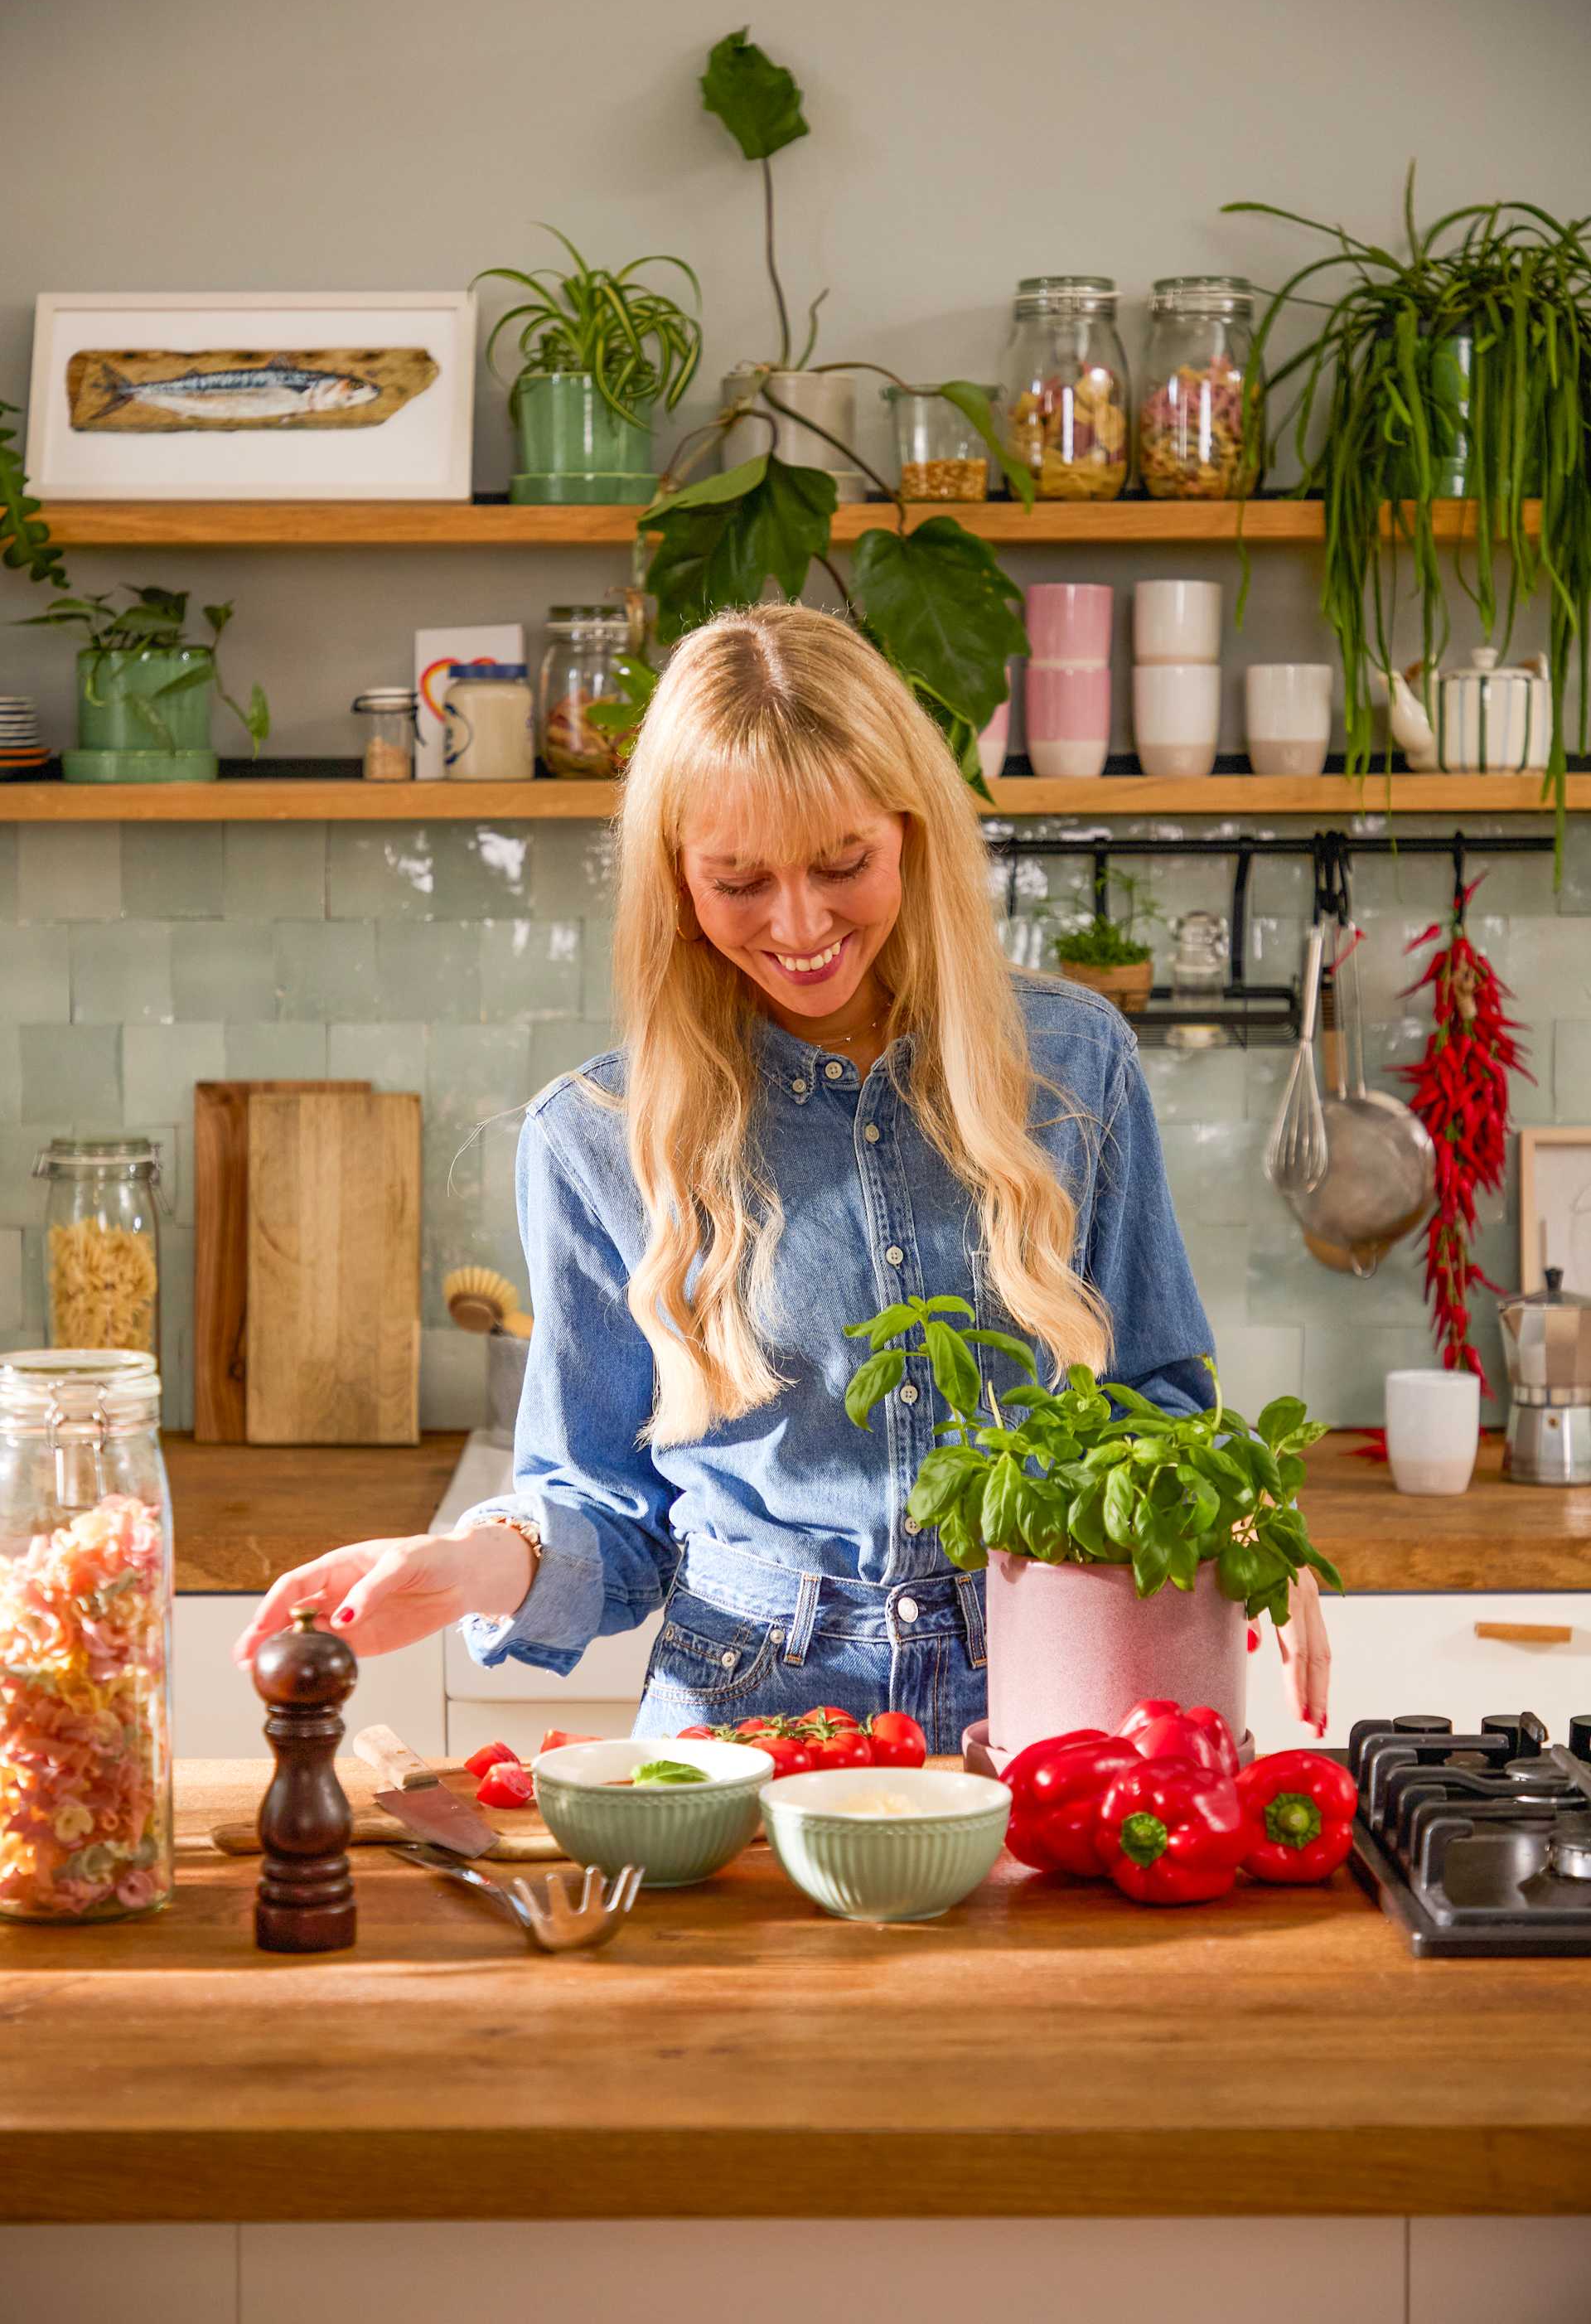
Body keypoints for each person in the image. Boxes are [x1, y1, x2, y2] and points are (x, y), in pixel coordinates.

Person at [235, 605, 1329, 1750]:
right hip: (748, 1714)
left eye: (843, 863)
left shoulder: (1072, 1062)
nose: (799, 922)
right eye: (739, 880)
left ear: (910, 832)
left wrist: (1242, 1515)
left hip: (1049, 1695)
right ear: (674, 877)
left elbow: (1155, 1403)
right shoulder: (596, 1139)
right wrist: (474, 1564)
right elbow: (614, 1517)